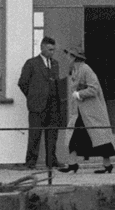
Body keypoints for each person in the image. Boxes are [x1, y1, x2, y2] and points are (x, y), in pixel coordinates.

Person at [18, 36, 75, 172]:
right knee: (35, 134)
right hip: (37, 105)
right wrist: (32, 96)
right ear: (42, 48)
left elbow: (56, 82)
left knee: (52, 135)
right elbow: (22, 83)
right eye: (49, 49)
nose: (52, 52)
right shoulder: (31, 63)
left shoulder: (55, 64)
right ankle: (31, 162)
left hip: (53, 105)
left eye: (53, 50)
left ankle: (51, 161)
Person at [66, 51, 115, 173]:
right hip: (83, 112)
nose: (67, 57)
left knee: (99, 137)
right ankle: (73, 163)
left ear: (74, 57)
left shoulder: (85, 69)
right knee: (77, 137)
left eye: (69, 55)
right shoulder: (76, 70)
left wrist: (79, 94)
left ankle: (106, 164)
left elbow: (94, 88)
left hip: (91, 111)